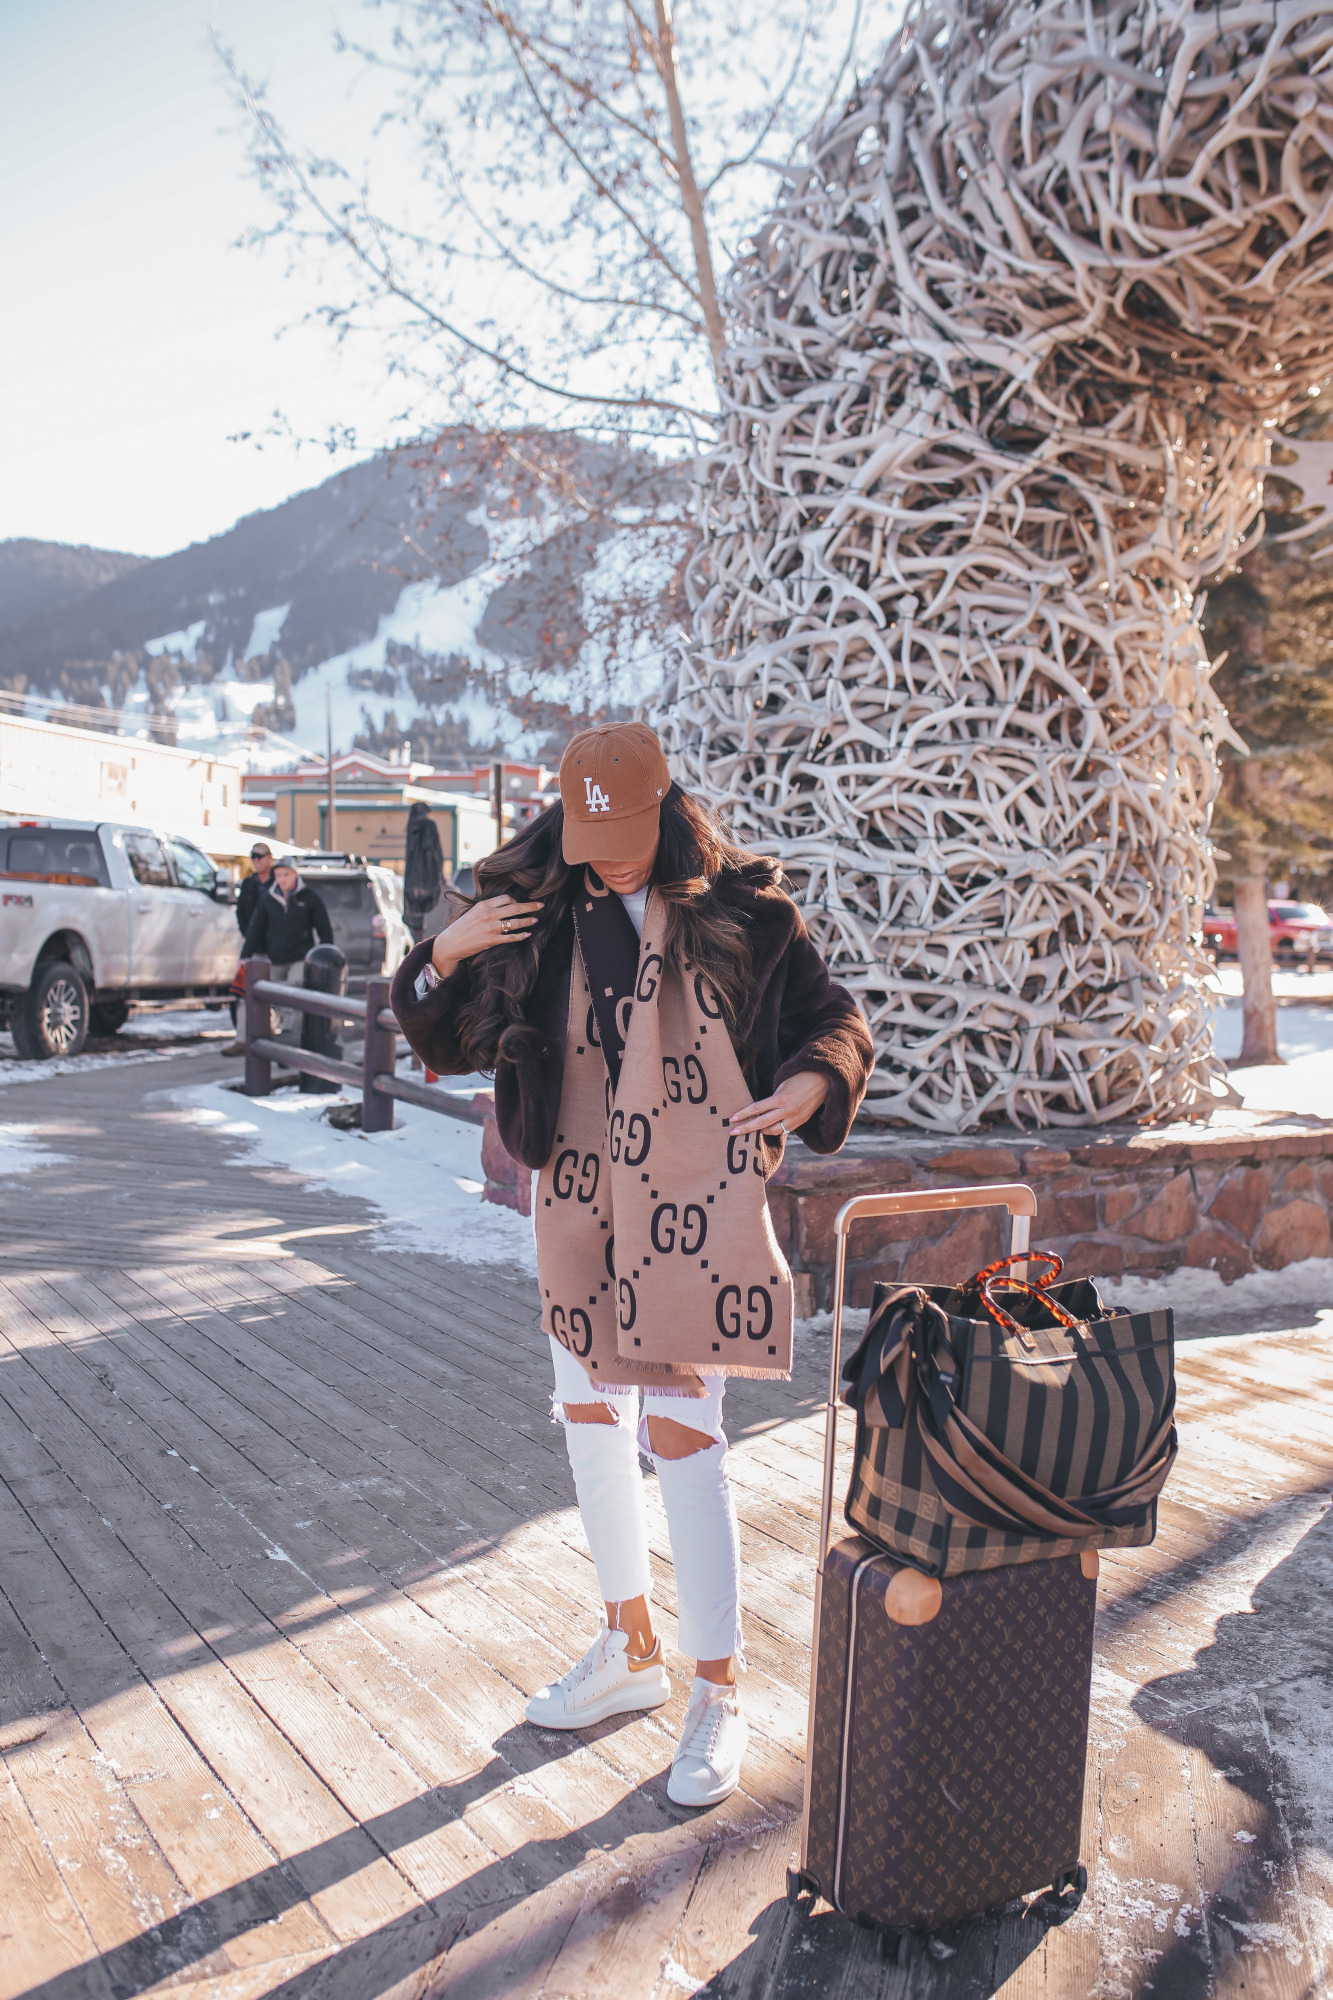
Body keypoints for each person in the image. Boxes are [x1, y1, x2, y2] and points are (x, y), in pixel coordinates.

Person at [392, 723, 873, 1809]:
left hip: (689, 1206)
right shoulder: (533, 918)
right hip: (574, 1206)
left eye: (623, 831)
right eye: (585, 831)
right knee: (591, 1422)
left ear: (667, 807)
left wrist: (808, 1085)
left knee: (682, 1433)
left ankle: (719, 1684)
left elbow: (833, 1019)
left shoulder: (741, 916)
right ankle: (628, 1641)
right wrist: (449, 948)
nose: (604, 853)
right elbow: (441, 1035)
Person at [238, 856, 334, 1046]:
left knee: (294, 992)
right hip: (274, 957)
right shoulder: (268, 899)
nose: (282, 879)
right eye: (278, 875)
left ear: (295, 875)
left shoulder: (309, 898)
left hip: (299, 956)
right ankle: (247, 1040)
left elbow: (324, 929)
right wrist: (245, 956)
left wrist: (326, 958)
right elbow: (255, 929)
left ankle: (291, 1040)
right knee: (258, 994)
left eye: (286, 875)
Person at [223, 843, 278, 1053]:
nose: (256, 860)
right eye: (253, 856)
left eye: (260, 856)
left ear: (269, 858)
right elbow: (242, 915)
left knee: (278, 994)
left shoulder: (279, 882)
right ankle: (243, 1039)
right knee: (244, 992)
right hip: (252, 946)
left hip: (277, 948)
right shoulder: (248, 885)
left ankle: (273, 1035)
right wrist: (250, 937)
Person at [403, 800, 446, 943]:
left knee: (417, 916)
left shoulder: (411, 827)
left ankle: (418, 943)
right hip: (428, 877)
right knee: (424, 914)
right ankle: (420, 943)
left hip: (413, 880)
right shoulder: (428, 826)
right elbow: (435, 852)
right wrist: (439, 872)